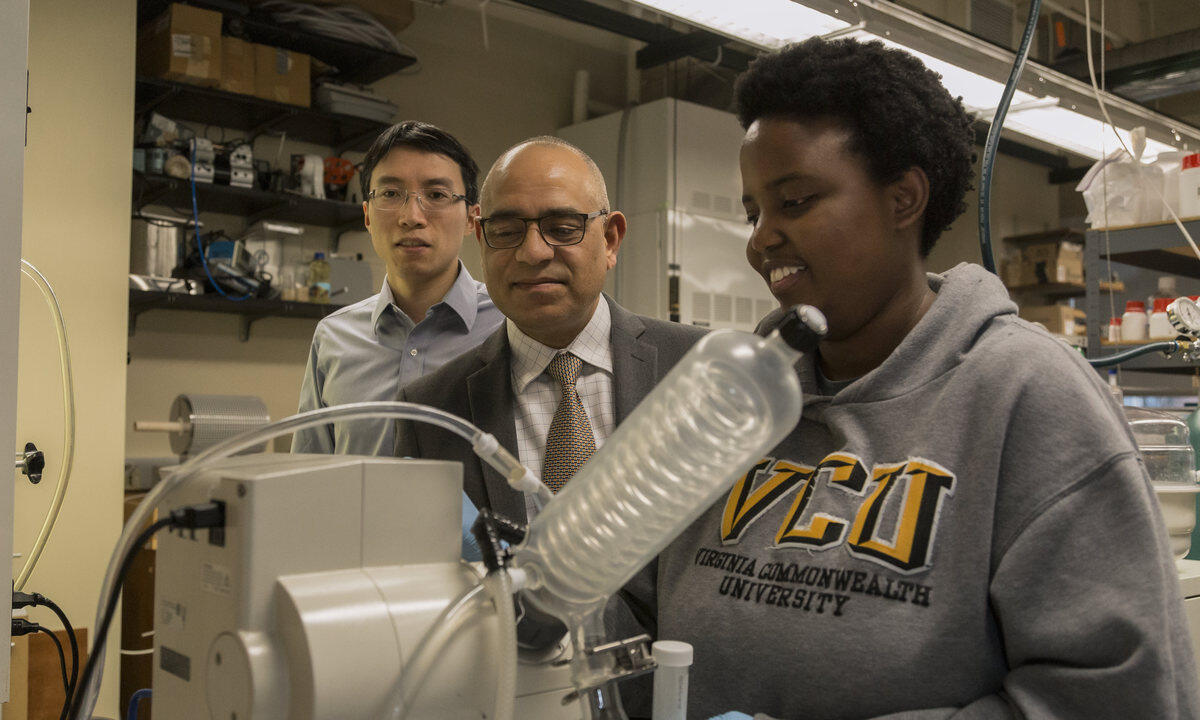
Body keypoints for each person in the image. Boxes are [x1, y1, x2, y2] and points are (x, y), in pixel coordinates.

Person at [651, 37, 1200, 719]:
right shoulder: (736, 400)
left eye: (793, 201)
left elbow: (1120, 699)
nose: (761, 238)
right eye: (753, 213)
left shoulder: (1026, 395)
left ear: (903, 198)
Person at [394, 135, 706, 523]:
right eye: (506, 231)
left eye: (562, 228)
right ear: (482, 240)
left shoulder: (702, 370)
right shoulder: (430, 413)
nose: (533, 252)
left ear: (610, 239)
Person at [294, 121, 504, 455]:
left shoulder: (510, 326)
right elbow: (309, 475)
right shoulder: (333, 338)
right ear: (367, 215)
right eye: (391, 194)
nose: (412, 217)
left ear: (471, 218)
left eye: (436, 195)